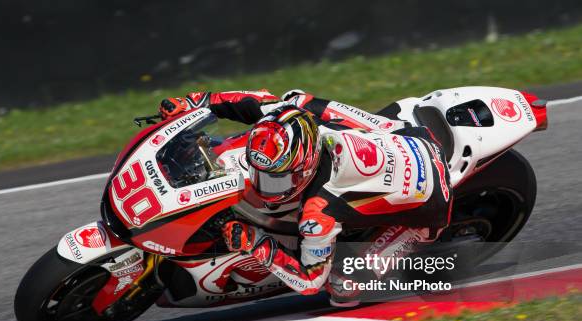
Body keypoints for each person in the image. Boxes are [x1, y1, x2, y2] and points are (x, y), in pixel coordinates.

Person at [159, 89, 453, 306]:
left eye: (278, 178)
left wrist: (254, 242)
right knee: (297, 99)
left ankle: (416, 253)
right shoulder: (292, 120)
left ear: (305, 167)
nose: (265, 185)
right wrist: (190, 103)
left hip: (432, 203)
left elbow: (310, 281)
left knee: (341, 289)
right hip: (411, 136)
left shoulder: (318, 211)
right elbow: (251, 99)